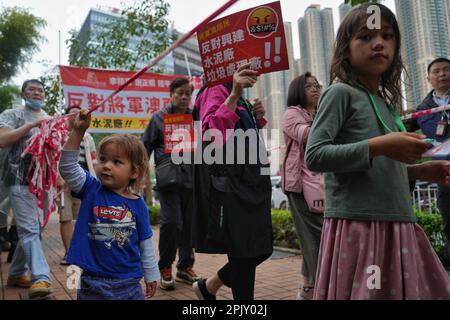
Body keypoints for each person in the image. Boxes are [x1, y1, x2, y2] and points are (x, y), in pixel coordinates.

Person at [305, 3, 450, 300]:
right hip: (360, 225)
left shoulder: (384, 103)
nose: (379, 43)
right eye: (365, 37)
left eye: (387, 35)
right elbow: (316, 154)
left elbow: (378, 162)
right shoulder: (339, 92)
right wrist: (381, 145)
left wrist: (418, 170)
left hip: (397, 222)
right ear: (346, 49)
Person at [191, 64, 273, 300]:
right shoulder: (216, 89)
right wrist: (235, 94)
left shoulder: (233, 91)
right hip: (231, 186)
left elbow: (242, 134)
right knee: (245, 251)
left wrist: (256, 116)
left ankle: (209, 286)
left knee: (257, 248)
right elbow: (210, 136)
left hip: (249, 182)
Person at [59, 109, 159, 300]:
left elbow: (145, 244)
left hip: (129, 283)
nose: (106, 165)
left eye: (116, 162)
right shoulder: (90, 189)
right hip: (92, 283)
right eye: (103, 159)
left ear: (134, 172)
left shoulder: (138, 205)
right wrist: (78, 132)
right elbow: (68, 167)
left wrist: (151, 275)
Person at [142, 77, 201, 290]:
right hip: (168, 182)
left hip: (191, 180)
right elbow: (144, 147)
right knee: (171, 223)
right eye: (180, 93)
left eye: (188, 93)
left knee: (188, 226)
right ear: (171, 94)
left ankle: (185, 266)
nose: (184, 97)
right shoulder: (158, 118)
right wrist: (138, 175)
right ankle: (165, 266)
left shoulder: (195, 117)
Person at [0, 79, 53, 299]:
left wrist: (58, 176)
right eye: (32, 90)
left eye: (40, 90)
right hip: (18, 178)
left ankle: (15, 273)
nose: (37, 93)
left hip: (43, 181)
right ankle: (41, 277)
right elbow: (3, 140)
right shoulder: (12, 114)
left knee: (35, 228)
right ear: (23, 93)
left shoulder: (50, 119)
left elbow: (54, 151)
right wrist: (29, 127)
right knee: (30, 228)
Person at [281, 73, 324, 300]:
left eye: (317, 85)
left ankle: (308, 288)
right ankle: (319, 288)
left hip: (318, 183)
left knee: (313, 237)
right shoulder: (292, 113)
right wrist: (329, 121)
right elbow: (306, 135)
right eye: (308, 86)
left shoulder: (316, 113)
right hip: (300, 185)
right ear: (298, 90)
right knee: (317, 237)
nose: (315, 89)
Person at [411, 57, 450, 243]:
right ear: (428, 78)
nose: (442, 74)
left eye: (446, 70)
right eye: (437, 71)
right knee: (449, 221)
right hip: (446, 171)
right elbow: (398, 128)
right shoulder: (422, 110)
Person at [58, 105, 98, 266]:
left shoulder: (88, 138)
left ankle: (81, 250)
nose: (76, 116)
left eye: (78, 113)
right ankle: (69, 253)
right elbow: (55, 158)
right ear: (66, 117)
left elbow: (93, 159)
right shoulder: (58, 135)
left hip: (84, 183)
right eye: (72, 113)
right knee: (65, 218)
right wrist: (59, 178)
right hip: (63, 185)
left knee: (82, 217)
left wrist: (96, 178)